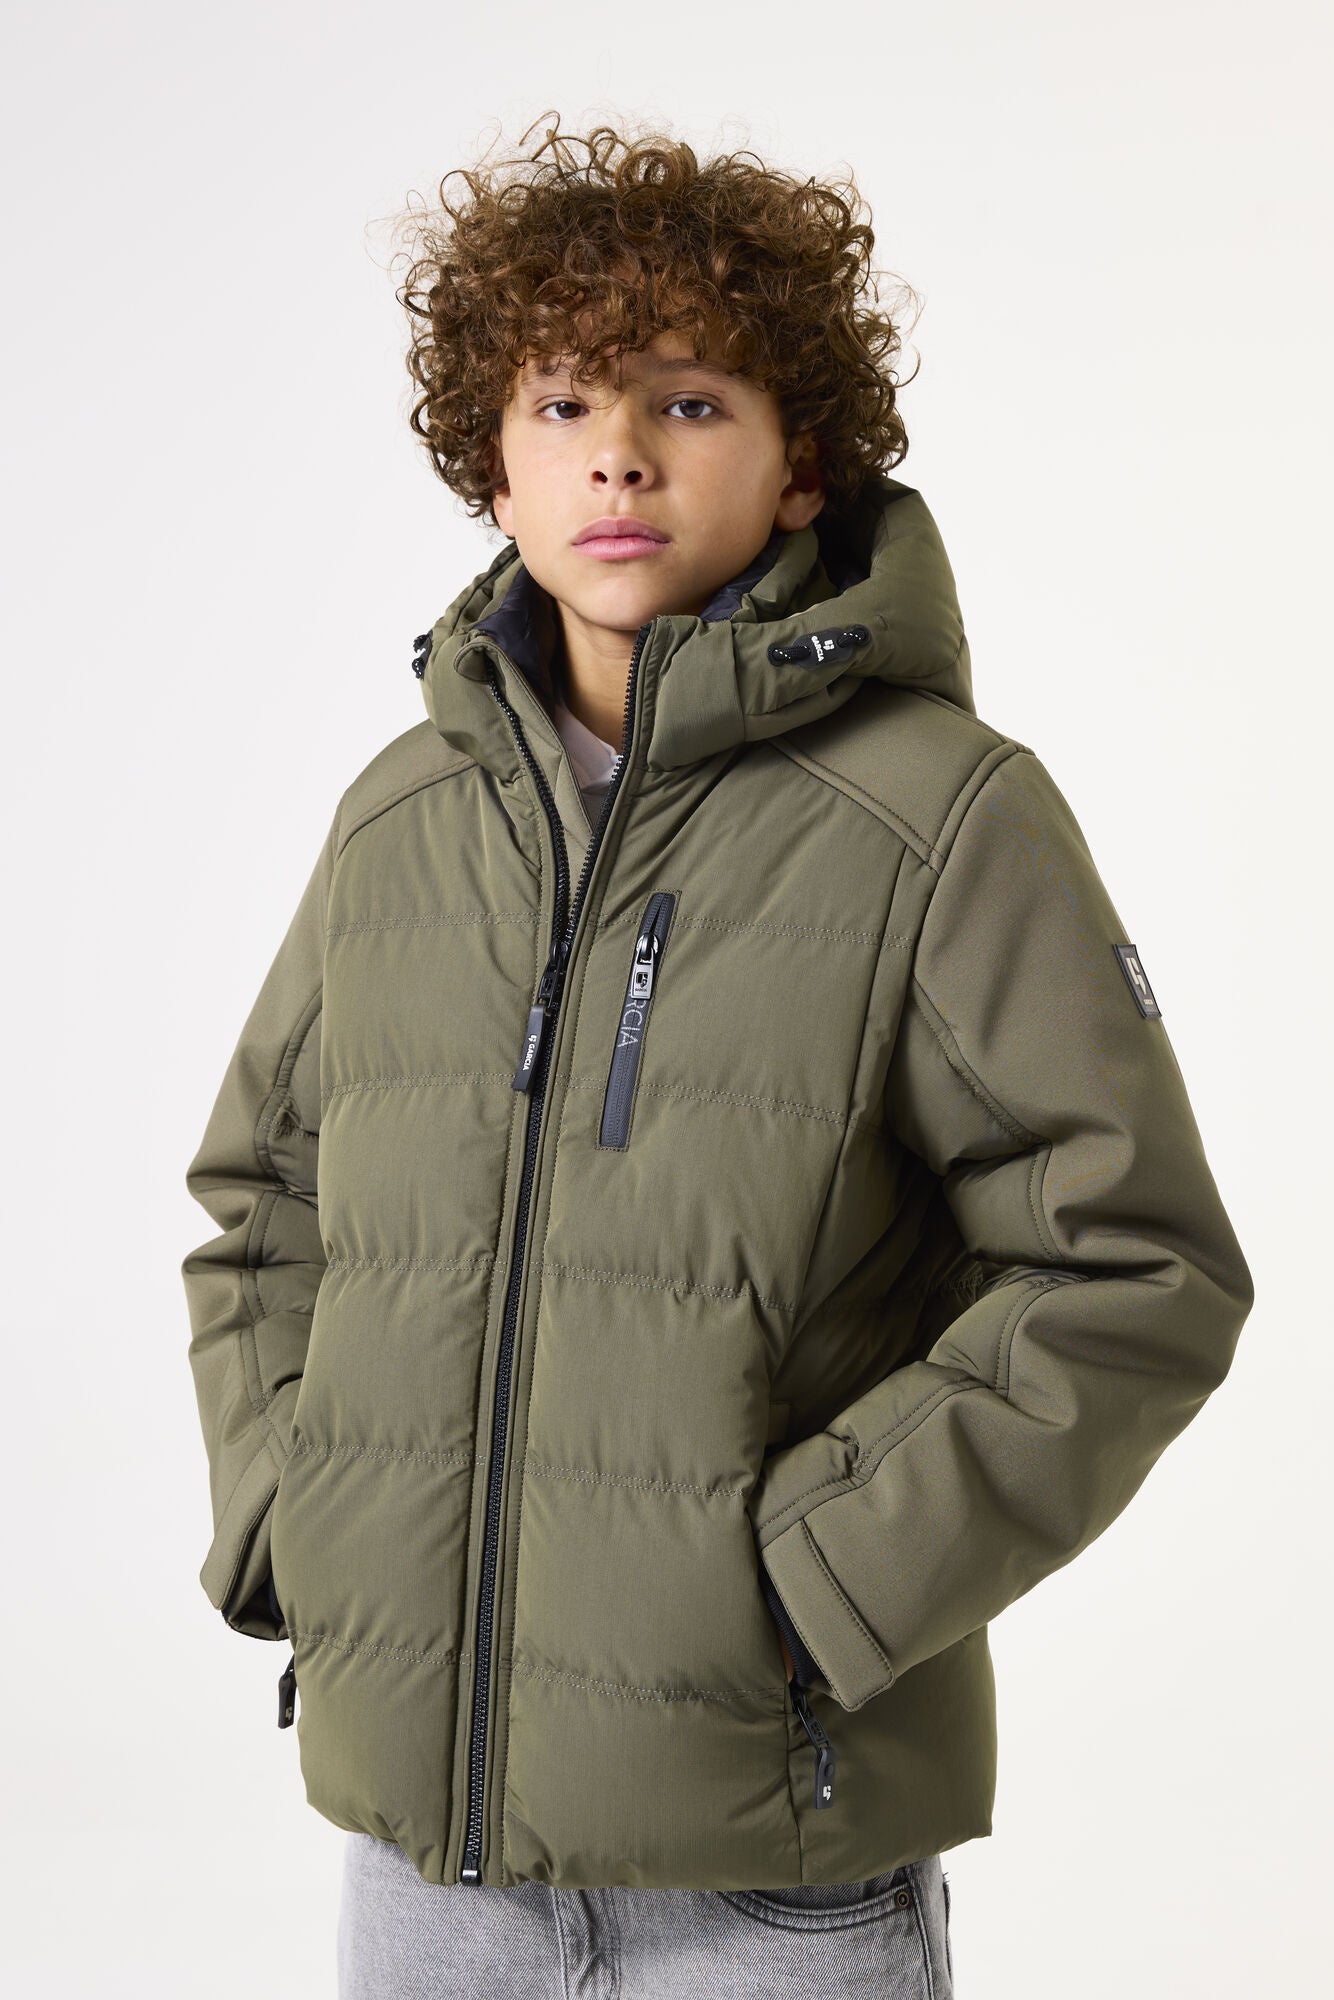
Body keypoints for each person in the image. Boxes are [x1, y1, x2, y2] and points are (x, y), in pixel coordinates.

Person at [181, 113, 1255, 2000]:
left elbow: (1131, 1268)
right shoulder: (403, 820)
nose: (616, 453)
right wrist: (300, 1529)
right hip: (421, 1868)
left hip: (770, 1871)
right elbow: (267, 1203)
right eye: (560, 405)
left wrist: (817, 1583)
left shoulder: (936, 816)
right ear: (496, 470)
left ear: (797, 461)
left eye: (686, 401)